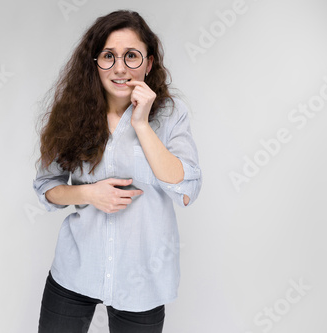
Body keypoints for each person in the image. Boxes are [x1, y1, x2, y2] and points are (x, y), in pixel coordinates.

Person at [33, 10, 202, 333]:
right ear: (94, 62)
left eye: (131, 56)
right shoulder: (71, 113)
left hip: (142, 280)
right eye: (109, 56)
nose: (120, 67)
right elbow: (47, 186)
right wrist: (88, 193)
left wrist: (141, 123)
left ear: (149, 63)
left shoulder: (170, 115)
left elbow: (185, 189)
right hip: (76, 268)